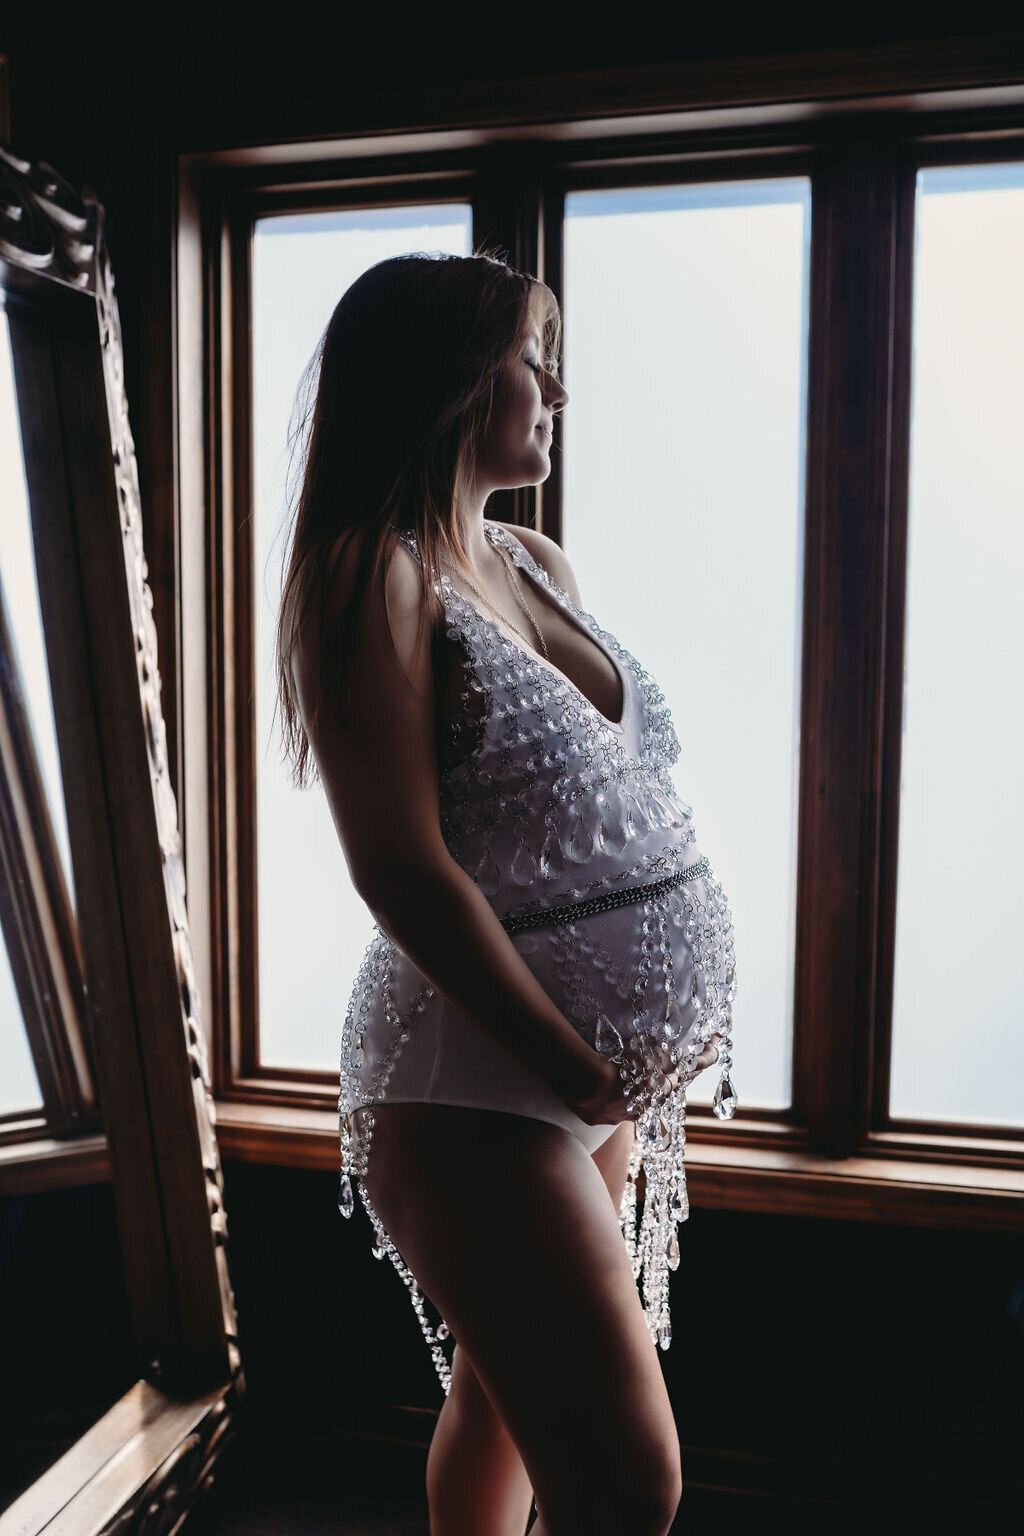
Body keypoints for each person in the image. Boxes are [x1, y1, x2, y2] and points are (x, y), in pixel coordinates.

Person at [274, 249, 738, 1536]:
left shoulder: (533, 562)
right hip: (475, 1076)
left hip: (582, 1074)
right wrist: (573, 1059)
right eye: (532, 359)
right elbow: (401, 870)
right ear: (449, 377)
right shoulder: (373, 573)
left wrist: (615, 1058)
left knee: (500, 1412)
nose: (553, 391)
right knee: (630, 1481)